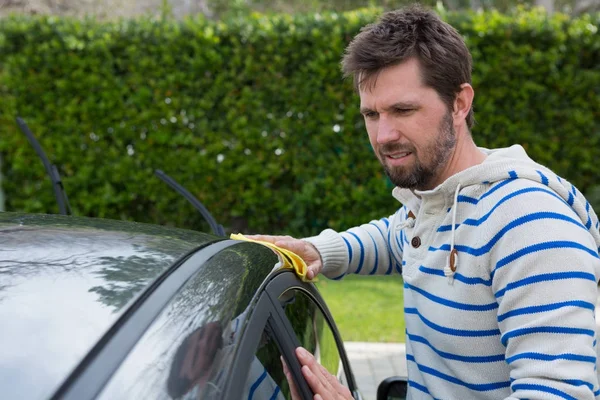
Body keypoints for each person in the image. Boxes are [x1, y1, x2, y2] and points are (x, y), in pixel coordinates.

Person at [251, 5, 600, 399]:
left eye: (403, 110)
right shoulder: (437, 203)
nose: (383, 135)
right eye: (371, 114)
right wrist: (319, 250)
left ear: (459, 103)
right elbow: (397, 236)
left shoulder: (532, 228)